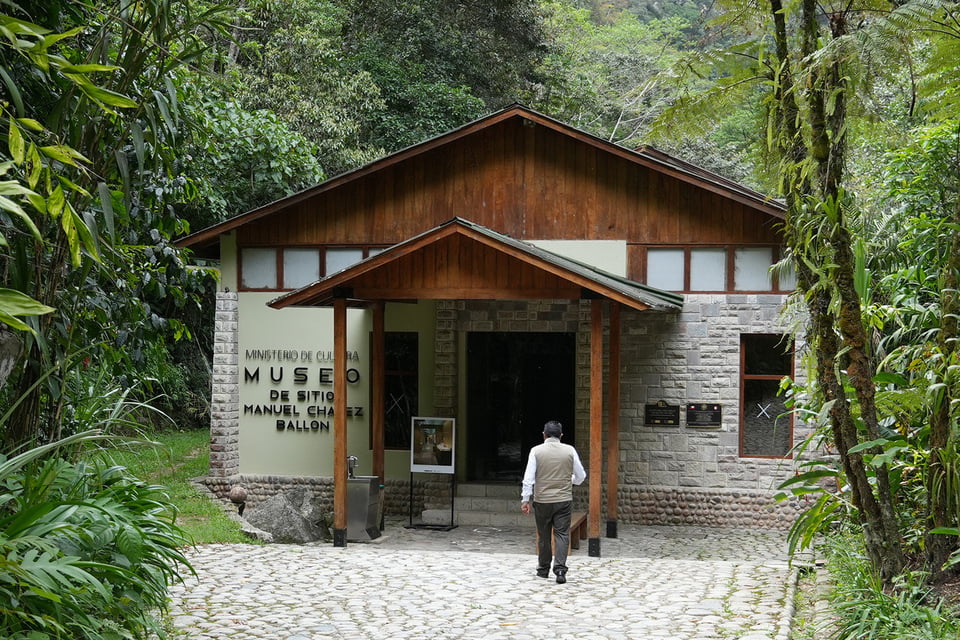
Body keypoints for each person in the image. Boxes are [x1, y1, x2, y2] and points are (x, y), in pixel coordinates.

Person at [520, 420, 586, 584]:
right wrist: (570, 480)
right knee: (562, 534)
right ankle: (560, 570)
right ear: (561, 435)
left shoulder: (536, 451)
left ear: (544, 435)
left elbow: (528, 478)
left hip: (542, 500)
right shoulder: (570, 450)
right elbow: (581, 476)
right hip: (563, 499)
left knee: (543, 535)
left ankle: (543, 569)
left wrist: (525, 499)